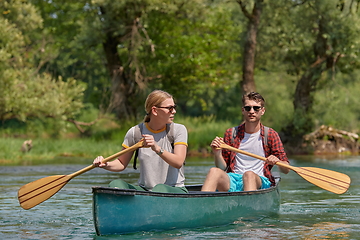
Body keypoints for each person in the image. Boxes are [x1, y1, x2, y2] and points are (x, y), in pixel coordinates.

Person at [93, 90, 188, 193]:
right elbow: (121, 163)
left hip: (174, 189)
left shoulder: (178, 130)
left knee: (160, 189)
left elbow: (179, 162)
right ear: (155, 111)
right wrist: (105, 164)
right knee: (116, 184)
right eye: (170, 108)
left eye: (174, 107)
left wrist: (157, 148)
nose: (174, 111)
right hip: (146, 190)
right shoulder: (135, 132)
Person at [201, 92, 289, 192]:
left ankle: (248, 206)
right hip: (233, 179)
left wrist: (277, 162)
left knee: (249, 174)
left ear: (262, 111)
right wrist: (217, 154)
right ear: (243, 110)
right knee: (214, 171)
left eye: (256, 108)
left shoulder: (270, 134)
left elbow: (286, 170)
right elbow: (222, 167)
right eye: (248, 108)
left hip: (260, 180)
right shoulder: (231, 133)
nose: (252, 111)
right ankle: (202, 205)